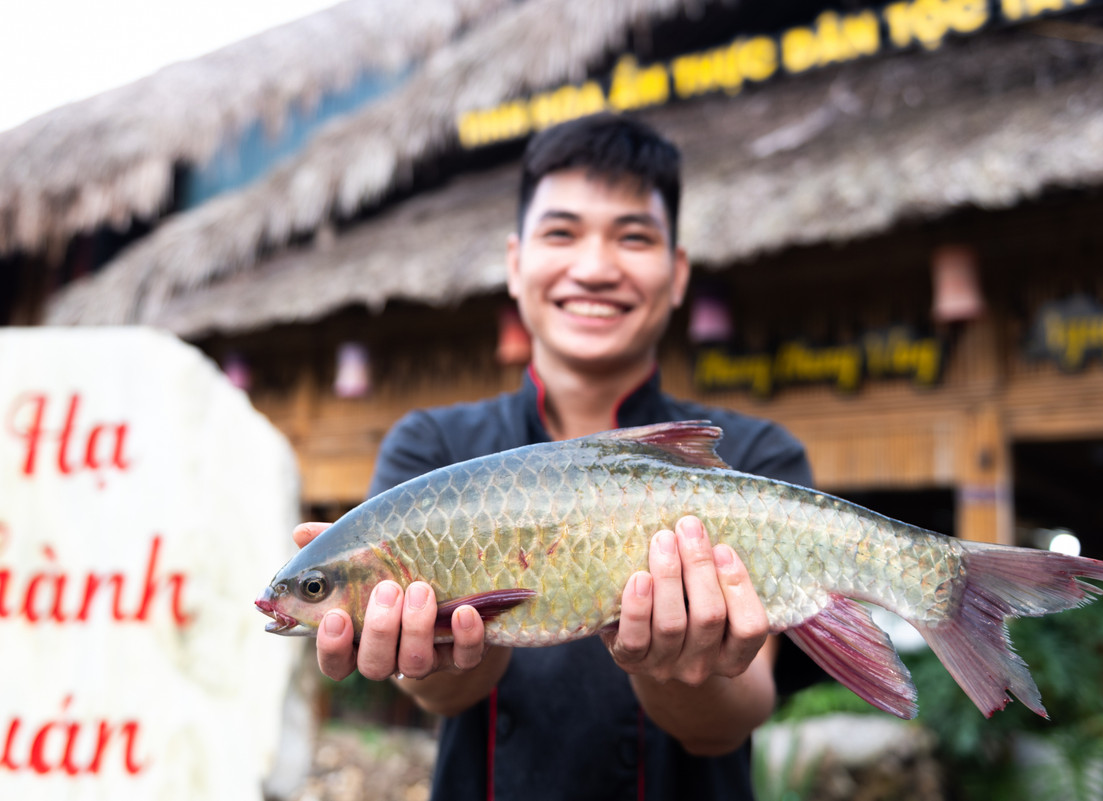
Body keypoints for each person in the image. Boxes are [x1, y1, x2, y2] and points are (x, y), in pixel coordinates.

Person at [292, 112, 819, 800]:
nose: (594, 268)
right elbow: (438, 695)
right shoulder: (430, 449)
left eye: (633, 236)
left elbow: (733, 719)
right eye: (562, 233)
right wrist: (440, 652)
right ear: (516, 264)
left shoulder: (751, 458)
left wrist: (677, 664)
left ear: (677, 272)